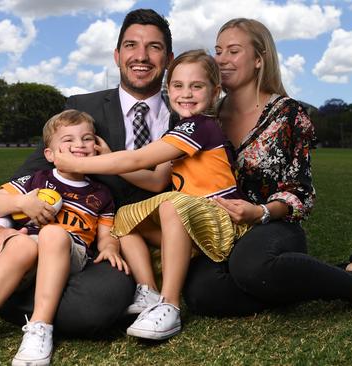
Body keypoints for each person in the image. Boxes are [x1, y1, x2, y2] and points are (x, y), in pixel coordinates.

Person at [0, 8, 175, 337]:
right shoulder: (82, 107)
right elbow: (28, 176)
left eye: (153, 47)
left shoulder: (184, 118)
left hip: (101, 244)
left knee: (92, 312)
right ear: (116, 54)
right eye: (131, 45)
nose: (141, 56)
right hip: (38, 226)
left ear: (168, 57)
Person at [182, 18, 352, 316]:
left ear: (259, 59)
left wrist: (260, 213)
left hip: (273, 226)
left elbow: (301, 192)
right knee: (202, 295)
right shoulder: (207, 116)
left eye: (233, 51)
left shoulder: (288, 114)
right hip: (222, 230)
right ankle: (300, 278)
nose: (221, 59)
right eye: (218, 51)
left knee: (251, 267)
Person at [54, 49, 247, 340]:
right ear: (168, 90)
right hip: (195, 222)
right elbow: (157, 180)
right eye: (179, 86)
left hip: (224, 221)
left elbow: (137, 160)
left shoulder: (201, 126)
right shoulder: (182, 130)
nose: (187, 93)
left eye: (197, 86)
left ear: (215, 91)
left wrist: (75, 163)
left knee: (172, 206)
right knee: (124, 220)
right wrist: (111, 156)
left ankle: (171, 306)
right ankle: (150, 293)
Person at [0, 110, 127, 366]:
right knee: (21, 242)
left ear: (97, 147)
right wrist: (22, 201)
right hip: (28, 253)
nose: (79, 144)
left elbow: (106, 234)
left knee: (53, 234)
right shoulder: (37, 180)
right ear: (50, 154)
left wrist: (110, 248)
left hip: (70, 252)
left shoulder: (101, 193)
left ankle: (40, 328)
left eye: (87, 138)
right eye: (68, 140)